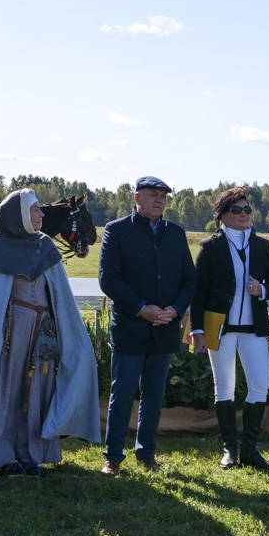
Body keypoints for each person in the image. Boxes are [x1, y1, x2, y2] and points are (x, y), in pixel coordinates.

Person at [0, 190, 102, 474]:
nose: (41, 214)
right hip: (9, 337)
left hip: (43, 334)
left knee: (38, 392)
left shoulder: (45, 246)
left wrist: (62, 333)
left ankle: (32, 453)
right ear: (19, 215)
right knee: (8, 394)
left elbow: (59, 297)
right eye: (36, 209)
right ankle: (3, 456)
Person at [98, 176, 196, 475]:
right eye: (153, 195)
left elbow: (189, 279)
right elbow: (109, 279)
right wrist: (142, 309)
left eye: (163, 196)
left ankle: (147, 453)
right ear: (137, 198)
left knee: (154, 396)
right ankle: (113, 457)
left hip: (165, 327)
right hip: (130, 327)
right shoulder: (116, 230)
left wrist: (175, 310)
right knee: (123, 394)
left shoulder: (176, 233)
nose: (159, 201)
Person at [191, 187, 269, 470]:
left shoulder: (262, 246)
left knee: (260, 385)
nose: (244, 214)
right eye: (237, 210)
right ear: (222, 215)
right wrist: (196, 330)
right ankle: (229, 450)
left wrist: (262, 290)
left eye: (247, 210)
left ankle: (250, 450)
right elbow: (198, 291)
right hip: (219, 327)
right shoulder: (209, 247)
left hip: (254, 327)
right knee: (225, 386)